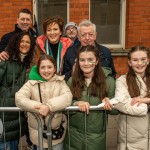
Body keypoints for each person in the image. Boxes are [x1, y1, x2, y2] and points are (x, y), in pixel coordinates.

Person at [64, 45, 118, 150]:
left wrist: (109, 103)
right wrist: (76, 103)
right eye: (82, 60)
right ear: (78, 62)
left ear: (97, 61)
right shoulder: (71, 80)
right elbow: (63, 106)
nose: (86, 63)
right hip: (73, 138)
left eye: (90, 60)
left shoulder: (109, 81)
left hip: (96, 139)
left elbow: (116, 110)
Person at [15, 54, 72, 150]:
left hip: (56, 133)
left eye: (49, 67)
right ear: (38, 69)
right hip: (38, 135)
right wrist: (38, 106)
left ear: (54, 68)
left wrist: (49, 106)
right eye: (43, 67)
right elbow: (19, 98)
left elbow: (67, 97)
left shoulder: (60, 82)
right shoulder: (31, 83)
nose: (46, 71)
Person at [0, 32, 35, 150]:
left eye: (28, 42)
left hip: (17, 116)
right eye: (22, 41)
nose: (25, 44)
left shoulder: (27, 64)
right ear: (15, 43)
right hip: (4, 115)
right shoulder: (5, 60)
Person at [114, 46, 150, 150]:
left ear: (148, 60)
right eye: (135, 60)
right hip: (131, 140)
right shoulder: (122, 81)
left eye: (143, 59)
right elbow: (121, 103)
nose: (139, 63)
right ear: (129, 62)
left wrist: (147, 100)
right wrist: (147, 108)